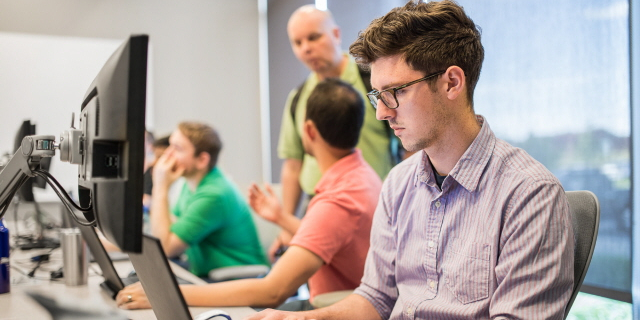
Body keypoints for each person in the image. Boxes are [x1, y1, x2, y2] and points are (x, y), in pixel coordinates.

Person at [246, 1, 575, 319]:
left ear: (451, 83)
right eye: (376, 95)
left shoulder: (529, 194)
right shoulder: (399, 184)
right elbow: (375, 300)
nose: (381, 113)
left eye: (397, 92)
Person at [116, 79, 381, 311]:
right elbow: (334, 234)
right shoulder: (361, 176)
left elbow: (273, 292)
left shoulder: (338, 199)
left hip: (331, 309)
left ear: (308, 131)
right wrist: (281, 218)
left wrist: (165, 294)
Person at [273, 5, 399, 260]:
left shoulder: (372, 82)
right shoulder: (298, 98)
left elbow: (410, 147)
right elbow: (292, 166)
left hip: (371, 207)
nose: (306, 48)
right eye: (297, 42)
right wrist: (285, 225)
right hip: (317, 208)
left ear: (336, 34)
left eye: (313, 37)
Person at [145, 122, 267, 278]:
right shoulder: (190, 183)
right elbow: (169, 226)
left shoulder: (214, 195)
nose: (168, 154)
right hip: (207, 275)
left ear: (202, 160)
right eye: (170, 146)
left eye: (177, 148)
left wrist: (160, 186)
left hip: (234, 281)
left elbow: (165, 248)